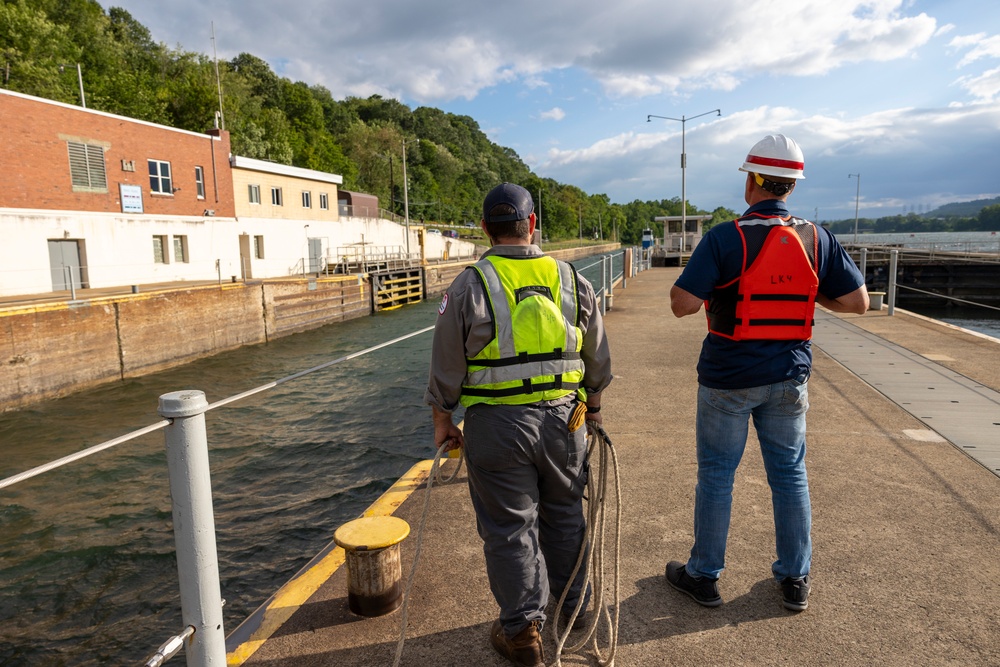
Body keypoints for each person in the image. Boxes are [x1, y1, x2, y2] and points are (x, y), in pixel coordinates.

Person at [665, 134, 868, 612]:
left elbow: (681, 305)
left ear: (752, 181)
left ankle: (704, 575)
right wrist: (801, 291)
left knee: (717, 476)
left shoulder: (723, 237)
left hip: (727, 379)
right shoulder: (816, 237)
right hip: (789, 378)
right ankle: (795, 578)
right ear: (791, 188)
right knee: (790, 476)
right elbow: (858, 303)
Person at [425, 183, 612, 666]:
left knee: (510, 530)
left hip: (496, 426)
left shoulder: (470, 284)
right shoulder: (572, 280)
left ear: (485, 228)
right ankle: (574, 607)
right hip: (564, 421)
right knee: (566, 513)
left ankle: (522, 633)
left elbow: (447, 362)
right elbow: (597, 355)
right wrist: (591, 405)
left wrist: (443, 419)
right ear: (532, 225)